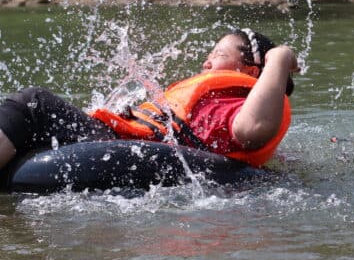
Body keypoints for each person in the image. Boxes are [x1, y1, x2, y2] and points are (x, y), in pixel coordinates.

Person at [0, 29, 298, 170]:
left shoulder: (244, 99)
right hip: (120, 144)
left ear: (250, 71)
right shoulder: (220, 97)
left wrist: (280, 58)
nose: (206, 64)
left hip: (131, 152)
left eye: (218, 55)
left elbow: (251, 129)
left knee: (33, 103)